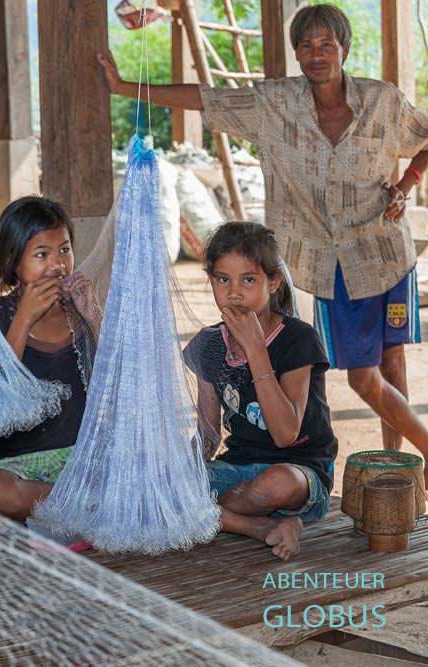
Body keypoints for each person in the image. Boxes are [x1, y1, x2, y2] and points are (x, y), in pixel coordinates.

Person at [100, 4, 428, 468]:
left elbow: (425, 135)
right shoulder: (274, 105)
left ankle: (396, 470)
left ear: (344, 49)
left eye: (326, 44)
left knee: (392, 366)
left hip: (386, 255)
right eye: (306, 45)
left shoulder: (383, 101)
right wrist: (126, 88)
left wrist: (407, 183)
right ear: (296, 53)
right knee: (363, 377)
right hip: (332, 265)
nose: (316, 54)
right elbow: (207, 97)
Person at [184, 222, 338, 561]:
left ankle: (204, 516)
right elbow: (208, 435)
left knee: (275, 485)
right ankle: (263, 527)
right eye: (223, 279)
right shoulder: (207, 345)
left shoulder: (298, 339)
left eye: (248, 280)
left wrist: (255, 349)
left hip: (299, 470)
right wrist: (179, 472)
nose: (234, 292)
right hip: (236, 468)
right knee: (164, 485)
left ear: (273, 282)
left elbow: (285, 434)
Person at [0, 196, 98, 523]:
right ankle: (89, 507)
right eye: (41, 255)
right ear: (13, 261)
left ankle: (70, 508)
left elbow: (119, 381)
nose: (58, 264)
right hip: (17, 465)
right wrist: (23, 321)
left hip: (83, 458)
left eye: (65, 249)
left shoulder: (83, 311)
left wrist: (95, 316)